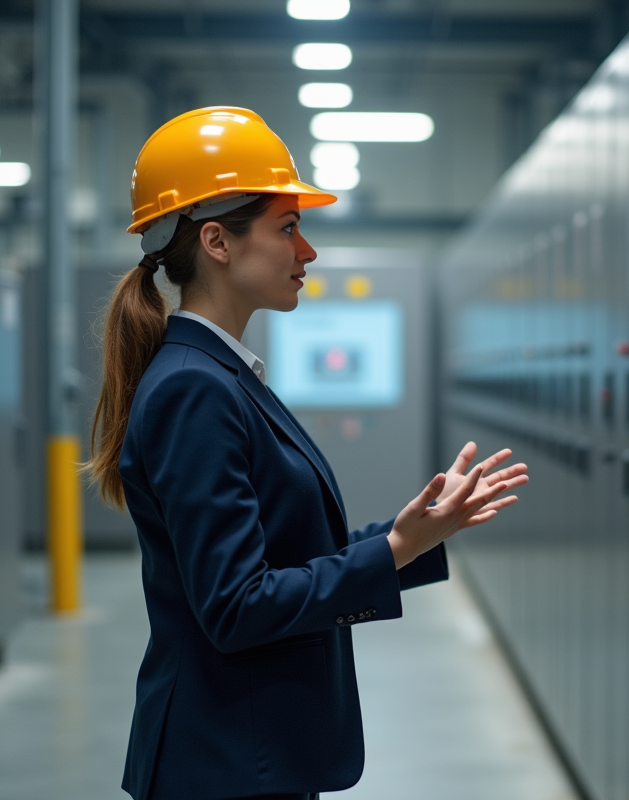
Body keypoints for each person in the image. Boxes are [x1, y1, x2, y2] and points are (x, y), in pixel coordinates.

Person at [84, 107, 528, 800]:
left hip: (249, 752)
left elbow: (281, 556)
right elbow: (237, 606)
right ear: (217, 242)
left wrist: (410, 537)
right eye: (288, 229)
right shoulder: (194, 390)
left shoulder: (220, 376)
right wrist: (389, 552)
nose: (308, 251)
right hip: (227, 763)